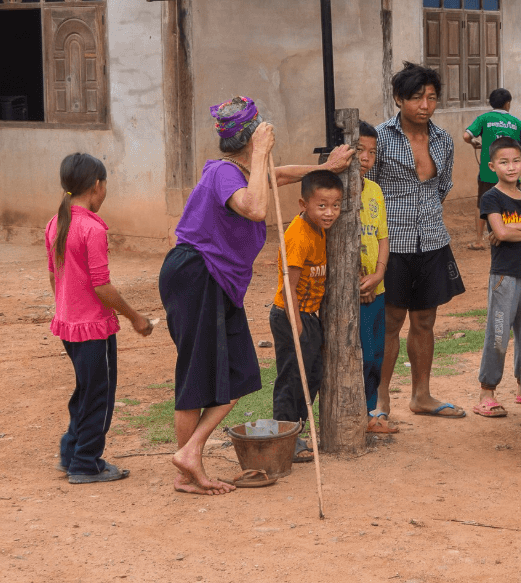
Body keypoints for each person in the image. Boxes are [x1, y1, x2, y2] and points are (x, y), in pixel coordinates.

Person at [158, 96, 350, 495]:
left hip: (215, 281)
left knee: (239, 373)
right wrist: (261, 152)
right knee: (198, 375)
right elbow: (256, 208)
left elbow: (278, 175)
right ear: (252, 137)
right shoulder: (224, 173)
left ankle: (188, 455)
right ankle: (187, 465)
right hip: (197, 275)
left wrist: (325, 169)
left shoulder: (244, 171)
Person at [367, 62, 467, 419]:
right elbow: (368, 188)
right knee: (390, 322)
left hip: (433, 240)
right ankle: (380, 400)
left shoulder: (443, 140)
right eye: (416, 98)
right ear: (399, 98)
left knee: (425, 321)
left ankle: (421, 396)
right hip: (391, 245)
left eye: (432, 98)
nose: (425, 106)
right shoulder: (380, 138)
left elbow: (442, 187)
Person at [46, 152, 153, 483]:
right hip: (93, 328)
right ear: (97, 185)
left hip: (69, 325)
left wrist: (67, 309)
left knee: (85, 391)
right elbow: (101, 285)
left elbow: (54, 275)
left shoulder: (56, 223)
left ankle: (71, 453)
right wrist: (135, 317)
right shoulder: (91, 228)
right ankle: (85, 463)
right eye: (105, 185)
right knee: (99, 398)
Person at [473, 137, 521, 417]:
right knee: (498, 334)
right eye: (504, 162)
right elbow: (501, 233)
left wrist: (512, 230)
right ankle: (487, 393)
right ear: (492, 166)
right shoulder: (491, 198)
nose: (511, 167)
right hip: (504, 277)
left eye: (516, 161)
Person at [270, 170, 344, 462]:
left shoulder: (320, 228)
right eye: (322, 205)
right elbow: (289, 287)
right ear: (304, 204)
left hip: (310, 316)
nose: (329, 212)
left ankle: (297, 432)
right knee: (292, 377)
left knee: (311, 376)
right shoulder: (298, 236)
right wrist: (298, 326)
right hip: (291, 316)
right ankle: (284, 436)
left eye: (335, 205)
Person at [356, 121, 397, 436]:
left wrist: (379, 272)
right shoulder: (334, 192)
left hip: (377, 288)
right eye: (360, 150)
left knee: (376, 356)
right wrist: (358, 282)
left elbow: (382, 237)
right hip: (352, 294)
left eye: (372, 152)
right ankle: (353, 413)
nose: (366, 158)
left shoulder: (375, 190)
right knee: (359, 355)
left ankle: (370, 413)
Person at [463, 88, 521, 251]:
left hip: (488, 172)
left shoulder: (484, 118)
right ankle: (520, 238)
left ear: (491, 103)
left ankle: (479, 240)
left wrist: (474, 142)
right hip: (511, 173)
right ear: (507, 104)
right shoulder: (517, 122)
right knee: (515, 204)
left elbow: (466, 136)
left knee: (482, 204)